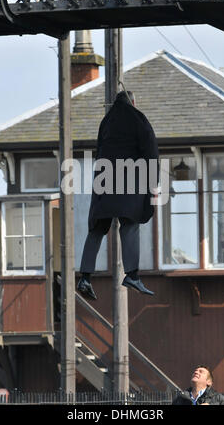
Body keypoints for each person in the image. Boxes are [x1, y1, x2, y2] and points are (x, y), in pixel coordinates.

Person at [77, 90, 159, 300]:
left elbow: (100, 150)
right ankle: (132, 275)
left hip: (103, 180)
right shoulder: (138, 119)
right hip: (127, 180)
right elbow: (151, 152)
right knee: (130, 224)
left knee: (97, 229)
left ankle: (85, 276)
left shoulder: (106, 121)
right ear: (133, 101)